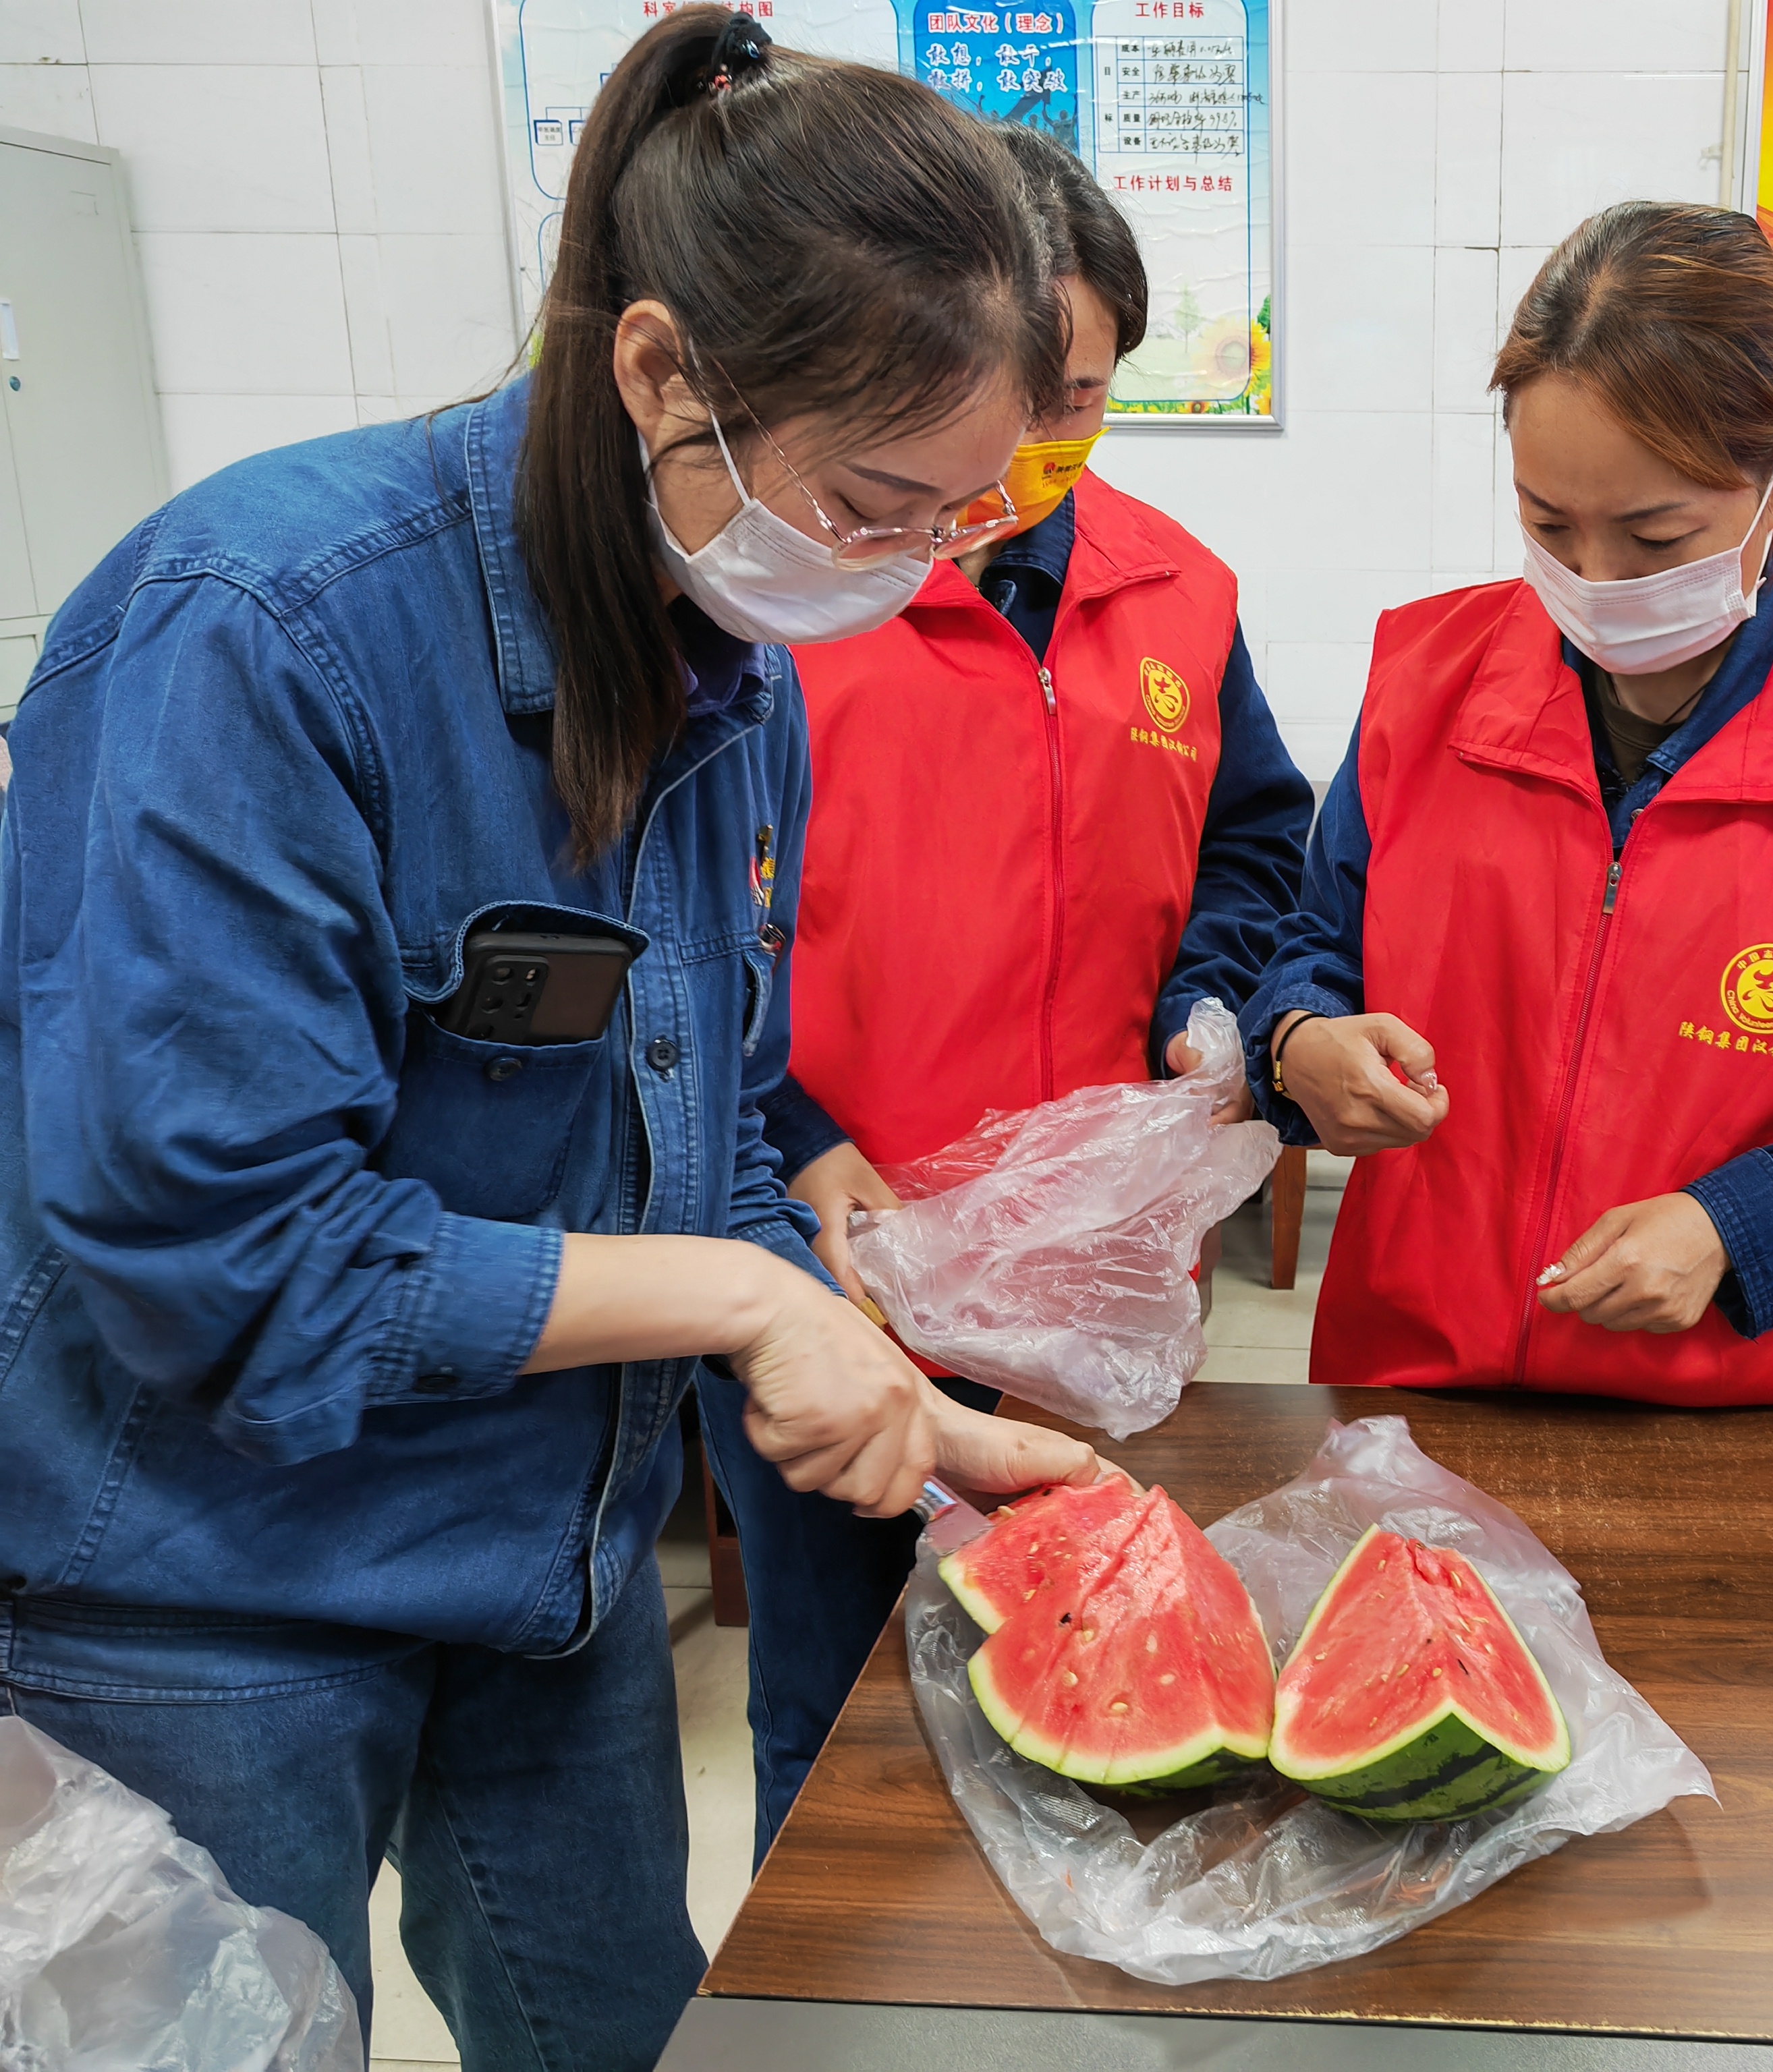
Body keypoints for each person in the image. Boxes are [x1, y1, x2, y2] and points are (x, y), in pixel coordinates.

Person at [0, 14, 1110, 2067]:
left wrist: (859, 1357)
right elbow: (222, 1251)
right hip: (205, 1581)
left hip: (543, 1554)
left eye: (959, 520)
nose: (904, 571)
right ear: (660, 370)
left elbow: (692, 1130)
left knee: (624, 2033)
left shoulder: (734, 668)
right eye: (876, 499)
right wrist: (727, 1299)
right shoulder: (272, 624)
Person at [704, 121, 1311, 1858]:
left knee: (1099, 1658)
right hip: (830, 1264)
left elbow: (1257, 844)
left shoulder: (1176, 592)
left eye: (1081, 397)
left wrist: (1206, 1006)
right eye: (996, 388)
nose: (1022, 443)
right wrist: (790, 1129)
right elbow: (665, 929)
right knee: (839, 1714)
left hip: (1099, 1275)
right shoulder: (776, 595)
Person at [1239, 202, 1773, 1406]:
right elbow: (1319, 941)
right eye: (1547, 523)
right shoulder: (1429, 689)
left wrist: (1744, 1221)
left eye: (1655, 534)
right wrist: (1300, 1036)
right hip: (1424, 1372)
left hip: (1764, 1407)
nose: (1594, 580)